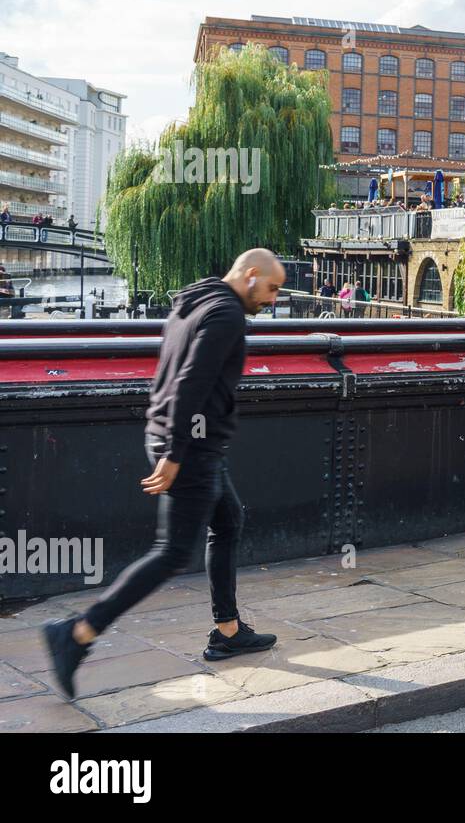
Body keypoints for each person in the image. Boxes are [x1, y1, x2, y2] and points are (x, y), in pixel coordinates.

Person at [43, 249, 285, 699]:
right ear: (251, 276)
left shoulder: (196, 300)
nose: (272, 299)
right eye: (271, 288)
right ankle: (77, 633)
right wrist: (176, 452)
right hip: (189, 446)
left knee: (228, 520)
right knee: (171, 552)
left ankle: (228, 631)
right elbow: (191, 380)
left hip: (187, 439)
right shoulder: (227, 313)